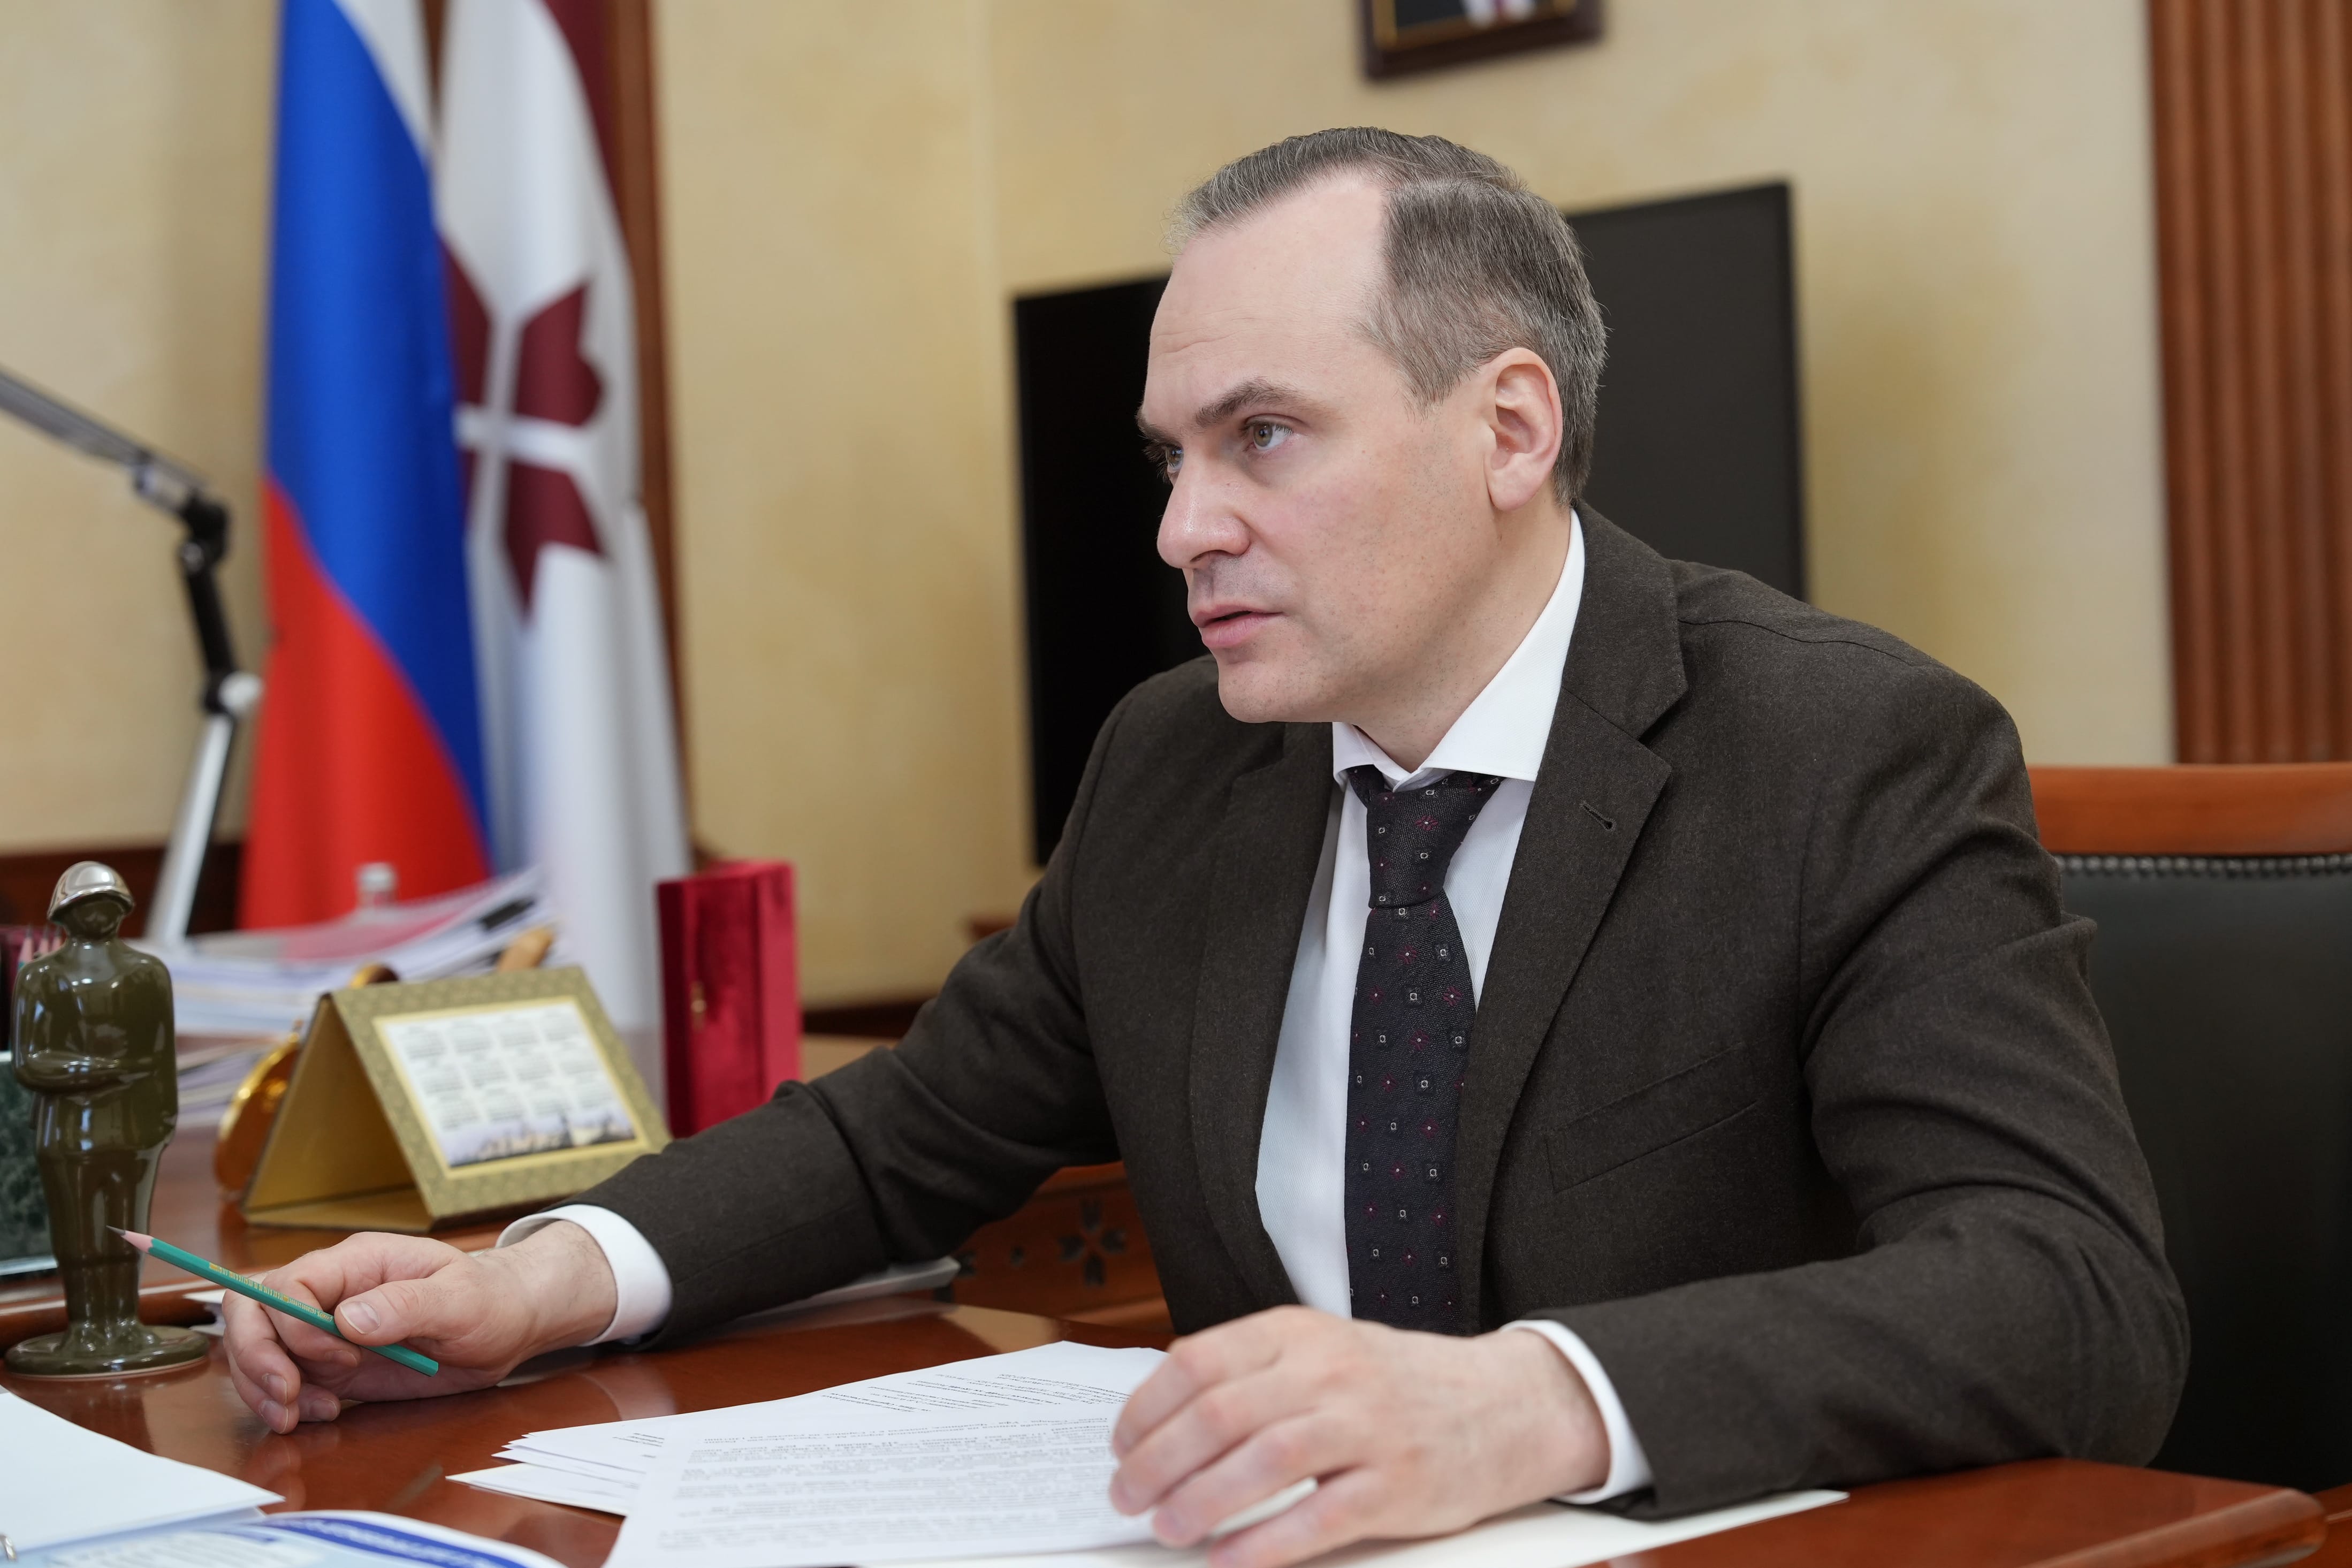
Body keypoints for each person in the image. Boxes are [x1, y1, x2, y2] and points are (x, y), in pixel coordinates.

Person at [225, 129, 2186, 1567]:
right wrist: (546, 1279)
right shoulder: (1180, 759)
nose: (1181, 528)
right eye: (1172, 456)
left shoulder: (1842, 752)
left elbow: (2067, 1290)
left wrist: (1523, 1398)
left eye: (1263, 436)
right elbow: (908, 1133)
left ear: (1509, 430)